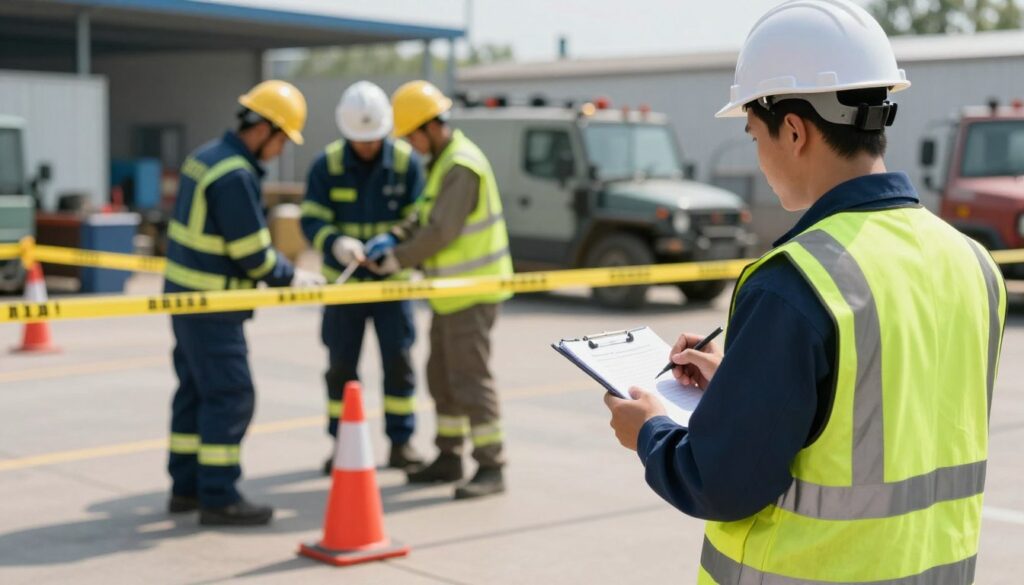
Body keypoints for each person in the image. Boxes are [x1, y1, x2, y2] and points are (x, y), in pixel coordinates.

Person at [604, 1, 1007, 582]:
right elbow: (880, 409)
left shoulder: (797, 279)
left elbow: (719, 480)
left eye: (753, 134)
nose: (759, 156)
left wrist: (648, 430)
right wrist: (745, 383)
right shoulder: (972, 262)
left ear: (793, 129)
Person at [165, 80, 325, 526]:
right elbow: (253, 255)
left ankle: (186, 488)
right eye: (282, 140)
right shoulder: (235, 174)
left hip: (185, 299)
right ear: (265, 130)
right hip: (214, 305)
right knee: (232, 395)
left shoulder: (206, 156)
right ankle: (218, 496)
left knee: (195, 391)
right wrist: (291, 275)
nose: (279, 151)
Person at [365, 80, 513, 500]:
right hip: (450, 294)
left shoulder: (461, 165)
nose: (410, 144)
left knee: (470, 379)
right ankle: (449, 457)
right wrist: (392, 237)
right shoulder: (443, 162)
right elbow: (422, 217)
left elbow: (442, 231)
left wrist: (395, 260)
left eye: (411, 134)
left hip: (473, 293)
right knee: (442, 378)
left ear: (430, 127)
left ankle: (491, 464)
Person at [299, 81, 426, 475]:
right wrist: (335, 243)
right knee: (340, 367)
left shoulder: (406, 163)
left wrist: (395, 243)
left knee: (399, 364)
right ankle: (342, 444)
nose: (367, 147)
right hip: (345, 288)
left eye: (373, 139)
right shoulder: (328, 164)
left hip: (392, 285)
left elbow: (419, 215)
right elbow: (311, 218)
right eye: (360, 139)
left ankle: (401, 444)